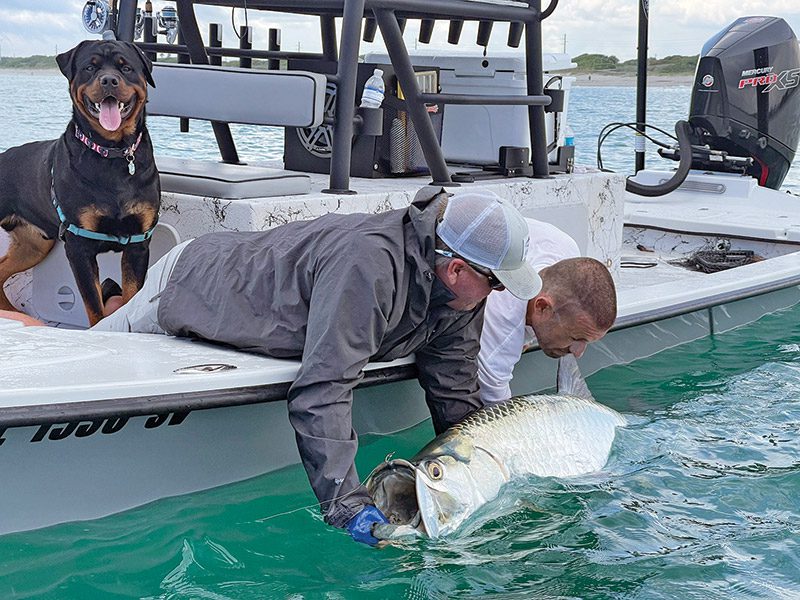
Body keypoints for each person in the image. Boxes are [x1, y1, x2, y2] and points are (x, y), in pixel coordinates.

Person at [91, 187, 542, 544]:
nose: (500, 296)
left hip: (242, 294)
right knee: (86, 356)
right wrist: (347, 505)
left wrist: (487, 479)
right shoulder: (370, 266)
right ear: (457, 270)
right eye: (497, 284)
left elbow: (455, 395)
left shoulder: (460, 299)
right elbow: (322, 390)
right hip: (191, 283)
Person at [478, 218, 617, 403]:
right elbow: (493, 413)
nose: (578, 353)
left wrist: (527, 335)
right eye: (576, 338)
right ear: (542, 306)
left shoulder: (565, 247)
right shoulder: (499, 336)